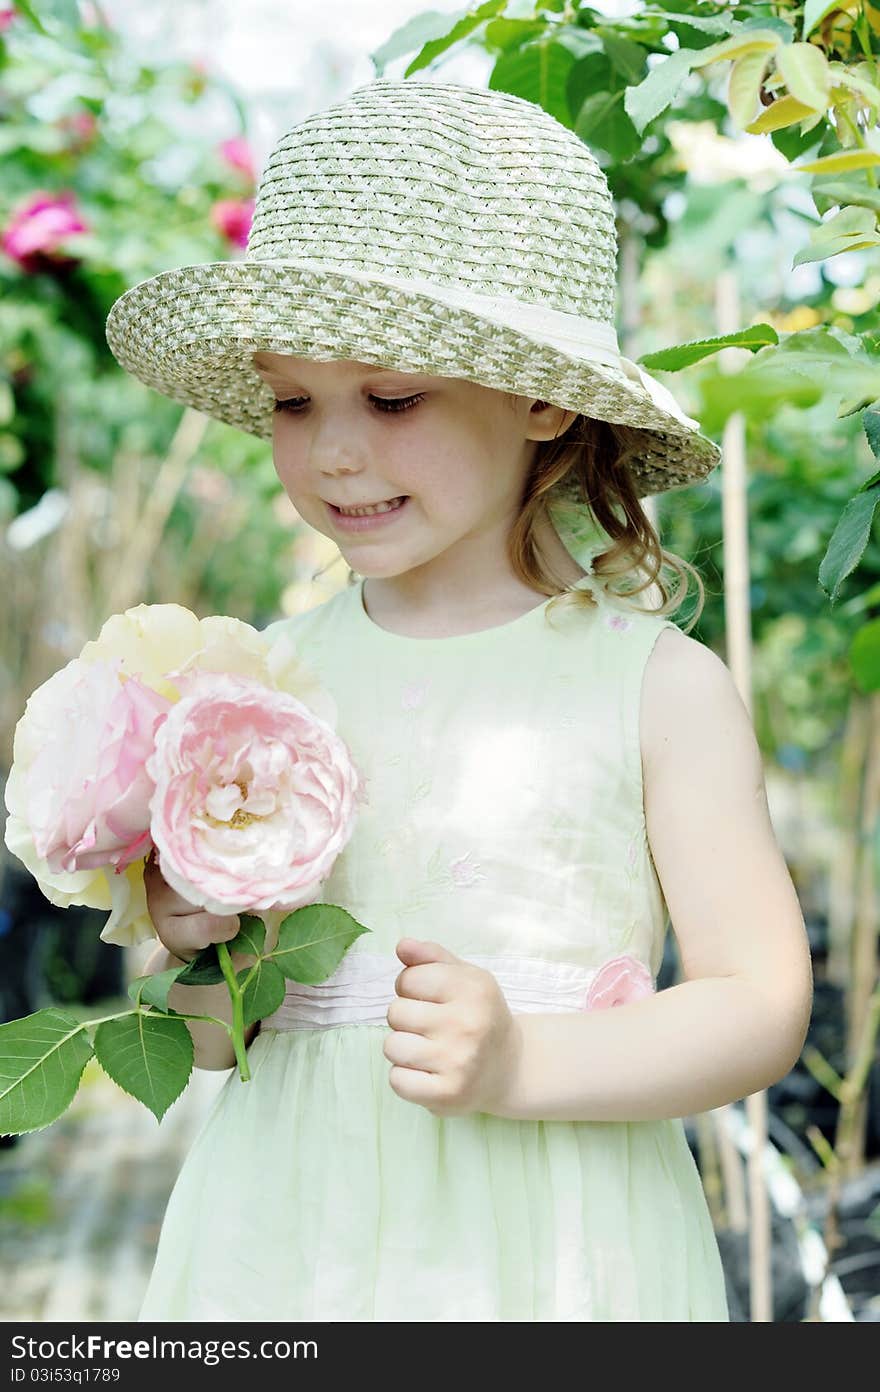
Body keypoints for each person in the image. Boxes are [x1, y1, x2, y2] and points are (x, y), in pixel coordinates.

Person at [104, 77, 813, 1323]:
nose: (332, 451)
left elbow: (758, 1002)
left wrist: (523, 1058)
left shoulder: (651, 686)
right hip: (289, 1243)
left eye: (391, 398)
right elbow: (218, 1042)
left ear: (540, 397)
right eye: (290, 400)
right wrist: (199, 942)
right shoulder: (251, 687)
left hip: (550, 1250)